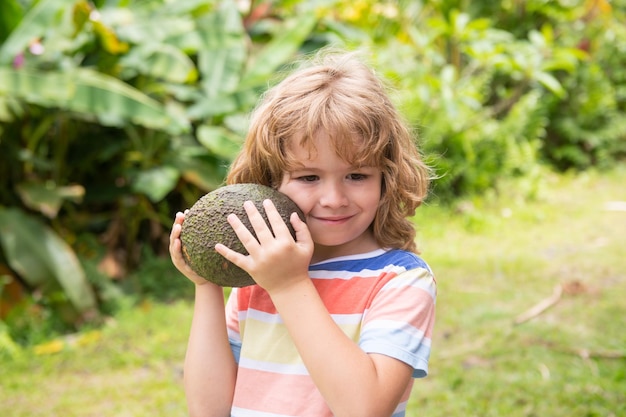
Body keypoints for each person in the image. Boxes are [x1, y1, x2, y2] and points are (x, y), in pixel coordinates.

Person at [169, 49, 437, 417]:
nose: (333, 199)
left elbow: (365, 408)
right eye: (308, 177)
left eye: (357, 176)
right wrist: (207, 286)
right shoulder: (257, 278)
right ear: (269, 181)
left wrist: (290, 286)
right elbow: (209, 409)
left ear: (386, 180)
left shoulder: (400, 281)